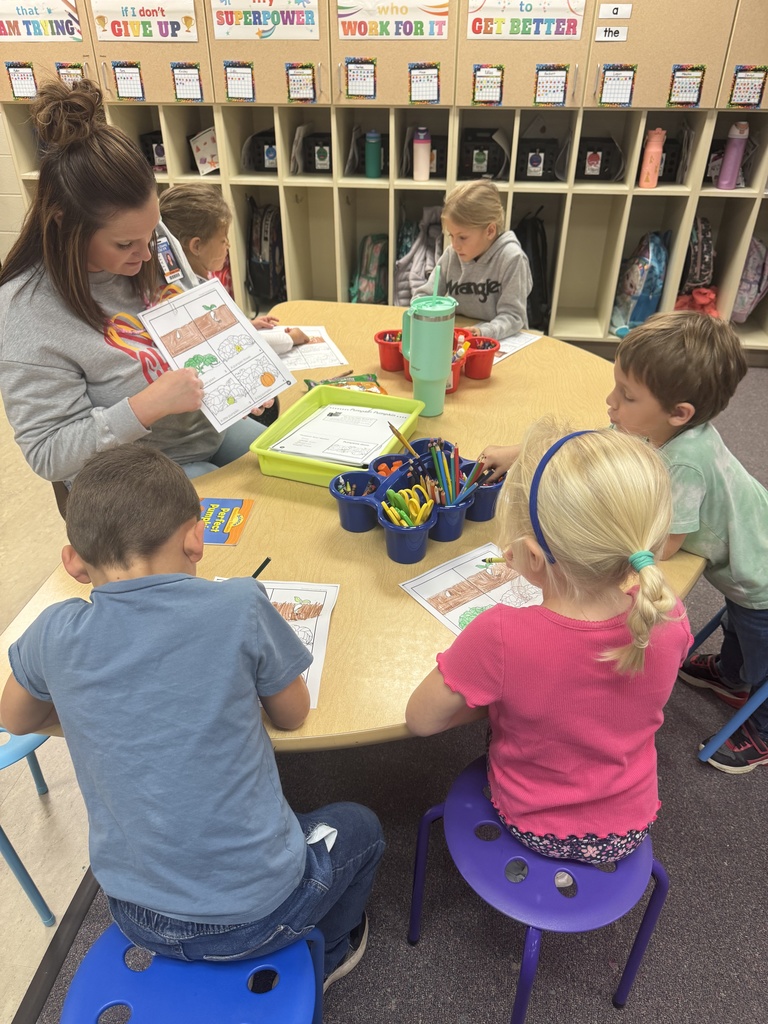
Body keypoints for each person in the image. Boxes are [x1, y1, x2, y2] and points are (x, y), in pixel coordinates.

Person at [0, 444, 385, 985]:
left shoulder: (55, 632)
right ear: (195, 539)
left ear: (74, 562)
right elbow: (293, 714)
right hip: (260, 913)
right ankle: (330, 955)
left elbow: (14, 718)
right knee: (361, 827)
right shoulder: (239, 605)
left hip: (136, 917)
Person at [407, 420, 691, 864]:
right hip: (631, 823)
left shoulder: (500, 634)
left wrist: (501, 696)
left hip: (535, 823)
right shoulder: (667, 612)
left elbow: (421, 720)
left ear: (532, 557)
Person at [0, 79, 268, 484]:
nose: (146, 254)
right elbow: (49, 453)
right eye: (125, 243)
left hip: (205, 429)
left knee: (291, 476)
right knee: (245, 525)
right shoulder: (27, 310)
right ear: (64, 224)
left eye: (151, 233)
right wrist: (146, 406)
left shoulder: (151, 236)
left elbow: (196, 309)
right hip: (129, 470)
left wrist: (240, 369)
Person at [606, 311, 768, 775]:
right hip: (748, 558)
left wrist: (609, 538)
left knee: (762, 653)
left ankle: (761, 732)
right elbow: (619, 444)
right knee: (738, 628)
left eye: (627, 396)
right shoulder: (674, 428)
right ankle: (732, 676)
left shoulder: (685, 460)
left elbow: (667, 546)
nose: (611, 402)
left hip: (759, 582)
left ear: (679, 413)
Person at [158, 183, 317, 356]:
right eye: (223, 240)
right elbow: (233, 343)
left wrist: (246, 325)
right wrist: (291, 339)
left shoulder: (179, 284)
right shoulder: (191, 296)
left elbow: (217, 333)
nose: (229, 245)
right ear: (197, 246)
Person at [412, 180, 532, 340]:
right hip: (461, 337)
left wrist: (484, 332)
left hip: (502, 339)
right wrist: (420, 306)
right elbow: (426, 294)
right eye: (451, 236)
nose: (454, 245)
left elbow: (513, 316)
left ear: (490, 231)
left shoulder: (512, 259)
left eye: (462, 237)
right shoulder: (452, 254)